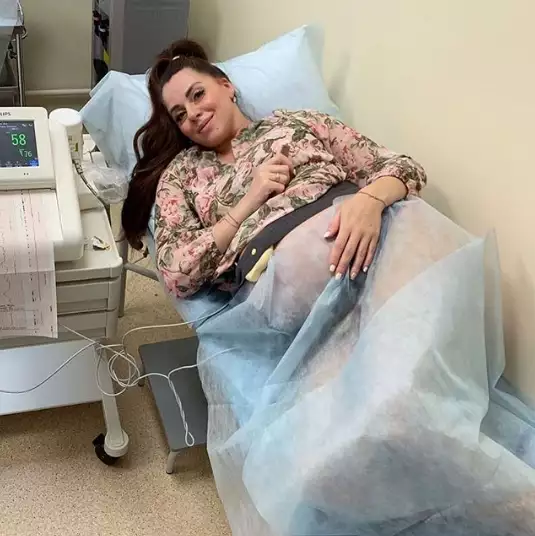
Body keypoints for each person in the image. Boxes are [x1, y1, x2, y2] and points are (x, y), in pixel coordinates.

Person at [121, 39, 426, 298]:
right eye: (179, 115)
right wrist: (248, 203)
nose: (193, 114)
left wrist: (369, 201)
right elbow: (176, 273)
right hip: (291, 281)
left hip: (373, 231)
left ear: (226, 86)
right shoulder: (183, 174)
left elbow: (403, 167)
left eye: (198, 95)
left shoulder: (300, 122)